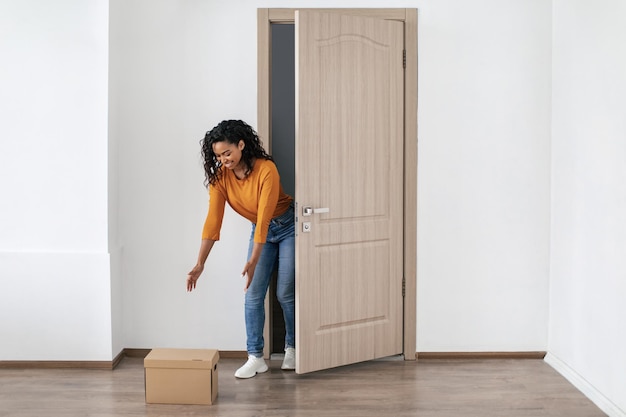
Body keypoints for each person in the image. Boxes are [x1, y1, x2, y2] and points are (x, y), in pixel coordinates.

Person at [186, 119, 295, 378]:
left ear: (241, 145)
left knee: (284, 293)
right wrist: (200, 263)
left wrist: (254, 258)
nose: (224, 159)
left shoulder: (266, 169)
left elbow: (266, 216)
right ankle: (256, 357)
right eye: (218, 155)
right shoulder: (220, 179)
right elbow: (213, 221)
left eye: (227, 153)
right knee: (253, 294)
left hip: (288, 226)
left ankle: (292, 348)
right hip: (261, 231)